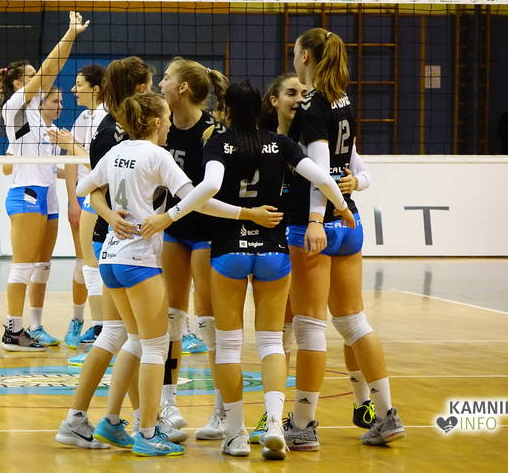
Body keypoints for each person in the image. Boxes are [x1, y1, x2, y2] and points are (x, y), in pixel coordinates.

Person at [141, 81, 354, 460]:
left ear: (224, 111)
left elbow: (209, 186)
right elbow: (322, 177)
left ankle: (236, 433)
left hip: (229, 251)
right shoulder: (280, 143)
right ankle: (274, 426)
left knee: (228, 344)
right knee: (271, 343)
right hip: (273, 251)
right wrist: (340, 207)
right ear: (259, 109)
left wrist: (170, 216)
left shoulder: (218, 144)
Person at [76, 91, 284, 456]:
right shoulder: (157, 156)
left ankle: (111, 420)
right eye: (167, 119)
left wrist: (109, 216)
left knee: (132, 341)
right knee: (155, 347)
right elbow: (200, 199)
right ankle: (146, 432)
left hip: (110, 257)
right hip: (139, 259)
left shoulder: (117, 151)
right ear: (156, 121)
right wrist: (245, 214)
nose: (171, 125)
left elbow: (84, 189)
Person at [284, 27, 405, 450]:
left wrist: (316, 220)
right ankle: (387, 415)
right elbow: (353, 167)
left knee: (310, 326)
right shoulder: (344, 101)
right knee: (353, 322)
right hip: (350, 222)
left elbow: (319, 171)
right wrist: (355, 186)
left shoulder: (314, 105)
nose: (293, 57)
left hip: (313, 225)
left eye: (296, 52)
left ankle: (302, 425)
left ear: (305, 58)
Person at [249, 72, 375, 444]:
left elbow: (360, 170)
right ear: (274, 100)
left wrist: (355, 183)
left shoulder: (319, 130)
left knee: (344, 320)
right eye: (291, 93)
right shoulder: (267, 142)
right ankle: (274, 415)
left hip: (313, 235)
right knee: (284, 331)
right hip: (282, 240)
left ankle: (363, 401)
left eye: (303, 92)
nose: (299, 98)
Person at [53, 56, 152, 449]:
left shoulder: (120, 125)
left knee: (124, 335)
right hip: (119, 240)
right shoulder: (114, 131)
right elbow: (93, 189)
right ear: (141, 88)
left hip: (117, 237)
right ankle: (96, 419)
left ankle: (132, 420)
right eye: (151, 84)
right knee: (128, 335)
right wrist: (111, 216)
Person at [0, 10, 89, 351]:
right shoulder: (15, 108)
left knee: (41, 266)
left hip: (46, 194)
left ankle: (33, 326)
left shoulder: (37, 115)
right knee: (23, 266)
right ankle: (12, 330)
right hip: (25, 194)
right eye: (31, 76)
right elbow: (51, 69)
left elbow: (53, 69)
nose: (40, 79)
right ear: (17, 84)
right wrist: (70, 34)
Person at [156, 57, 228, 441]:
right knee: (170, 317)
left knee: (208, 322)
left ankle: (222, 409)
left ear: (183, 88)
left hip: (208, 233)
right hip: (174, 231)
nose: (160, 83)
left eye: (166, 78)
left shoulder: (211, 132)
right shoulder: (162, 129)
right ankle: (167, 403)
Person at [62, 65, 108, 353]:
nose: (73, 90)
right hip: (83, 197)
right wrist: (72, 201)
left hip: (101, 196)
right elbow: (72, 160)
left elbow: (98, 166)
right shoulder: (83, 118)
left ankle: (103, 326)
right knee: (84, 262)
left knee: (97, 263)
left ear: (96, 89)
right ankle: (81, 321)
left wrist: (71, 145)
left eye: (79, 84)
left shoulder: (106, 119)